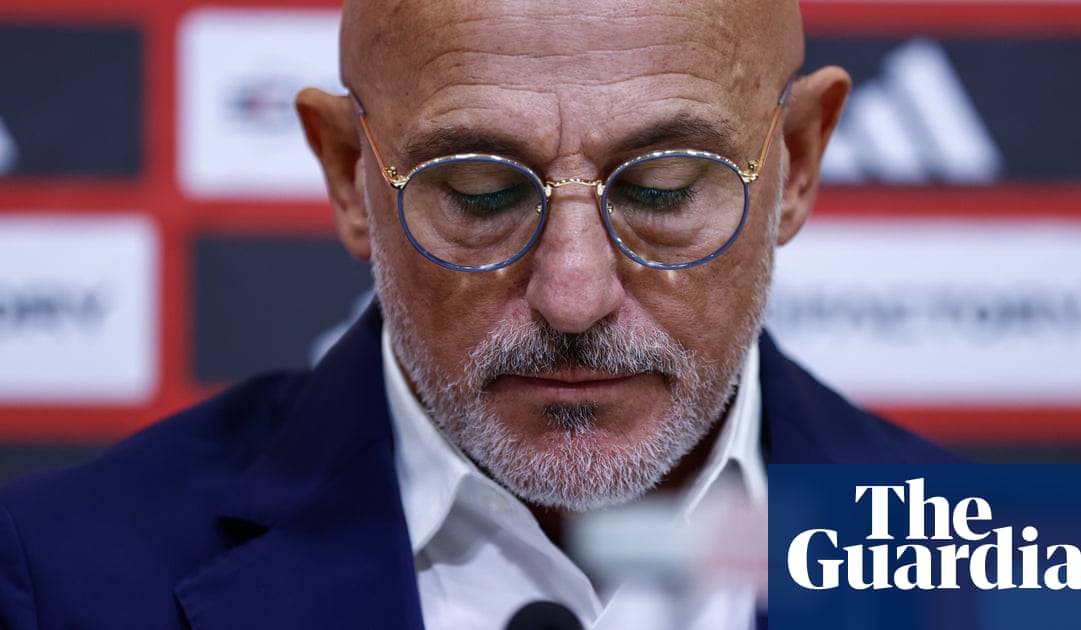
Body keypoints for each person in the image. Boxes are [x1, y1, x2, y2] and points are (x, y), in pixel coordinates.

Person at [0, 0, 961, 628]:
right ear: (348, 174)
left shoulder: (993, 565)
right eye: (479, 190)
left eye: (665, 188)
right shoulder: (61, 576)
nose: (573, 295)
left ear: (798, 160)